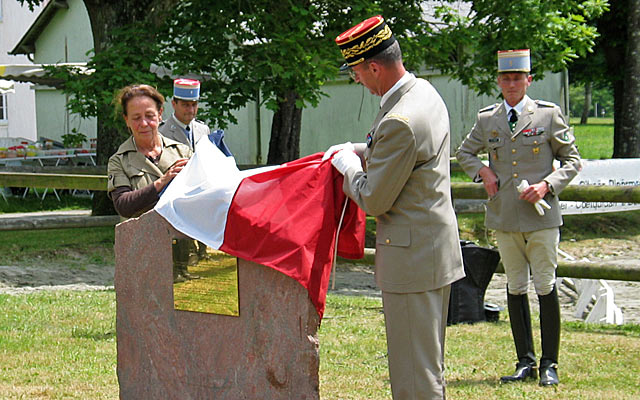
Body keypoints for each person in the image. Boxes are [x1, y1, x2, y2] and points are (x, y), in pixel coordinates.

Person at [324, 15, 465, 399]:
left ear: (374, 67)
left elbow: (374, 197)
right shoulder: (420, 94)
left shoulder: (400, 118)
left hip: (412, 258)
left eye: (356, 71)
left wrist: (350, 167)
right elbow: (400, 154)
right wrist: (361, 149)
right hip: (430, 249)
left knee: (414, 377)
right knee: (426, 366)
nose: (356, 79)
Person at [456, 49, 582, 387]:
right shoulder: (487, 119)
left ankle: (549, 363)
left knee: (545, 285)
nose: (511, 84)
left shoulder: (547, 116)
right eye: (506, 78)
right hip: (505, 216)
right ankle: (524, 360)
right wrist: (482, 171)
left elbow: (573, 160)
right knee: (515, 287)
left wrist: (546, 185)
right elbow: (464, 152)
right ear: (499, 81)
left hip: (540, 217)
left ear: (529, 80)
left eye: (518, 78)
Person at [107, 83, 197, 283]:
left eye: (149, 115)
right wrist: (162, 182)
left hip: (183, 252)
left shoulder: (183, 153)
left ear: (160, 114)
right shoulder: (119, 160)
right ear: (126, 121)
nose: (144, 123)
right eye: (136, 118)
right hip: (142, 253)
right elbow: (124, 205)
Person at [158, 78, 211, 261]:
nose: (190, 110)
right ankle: (181, 264)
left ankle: (202, 253)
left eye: (194, 105)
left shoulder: (203, 129)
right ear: (174, 104)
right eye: (185, 105)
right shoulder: (163, 132)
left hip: (201, 190)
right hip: (177, 191)